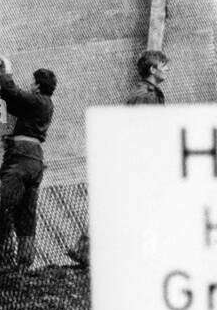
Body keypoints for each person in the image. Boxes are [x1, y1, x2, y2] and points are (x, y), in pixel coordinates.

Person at [67, 50, 170, 269]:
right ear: (152, 69)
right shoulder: (146, 96)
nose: (167, 68)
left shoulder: (148, 93)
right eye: (163, 64)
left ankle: (89, 250)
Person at [0, 61, 56, 272]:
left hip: (21, 159)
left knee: (3, 206)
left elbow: (13, 95)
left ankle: (1, 260)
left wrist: (6, 73)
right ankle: (24, 261)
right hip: (35, 161)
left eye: (32, 82)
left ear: (37, 86)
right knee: (27, 213)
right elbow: (15, 103)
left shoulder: (39, 101)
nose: (30, 85)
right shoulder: (44, 105)